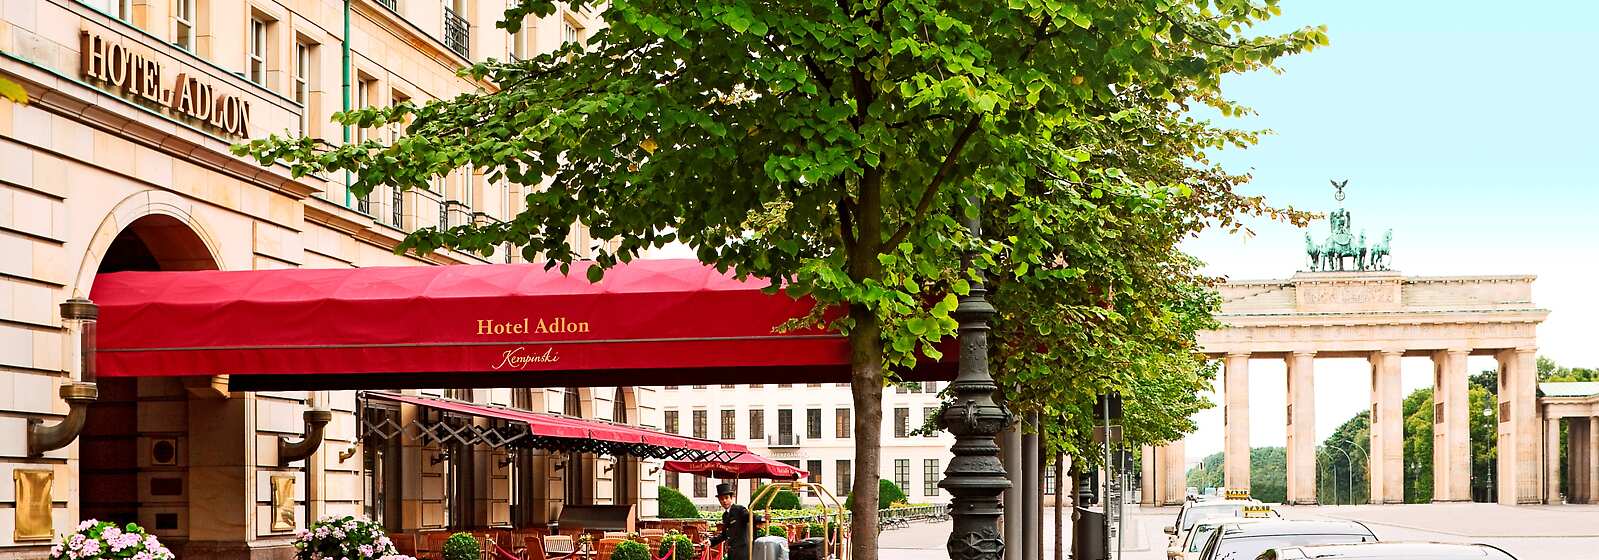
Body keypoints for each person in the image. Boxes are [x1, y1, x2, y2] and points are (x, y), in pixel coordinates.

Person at [708, 483, 752, 560]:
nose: (724, 501)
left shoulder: (739, 509)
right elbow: (724, 535)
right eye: (721, 499)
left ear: (731, 498)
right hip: (732, 554)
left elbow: (750, 517)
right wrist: (710, 541)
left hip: (742, 553)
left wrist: (762, 518)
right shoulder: (725, 516)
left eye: (726, 498)